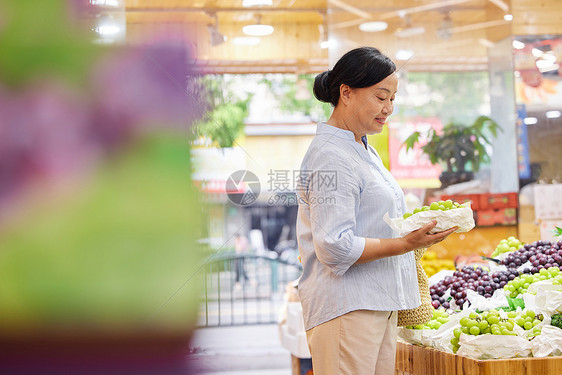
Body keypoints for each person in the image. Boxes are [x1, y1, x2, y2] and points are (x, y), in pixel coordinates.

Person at [296, 46, 457, 375]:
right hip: (347, 308)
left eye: (393, 99)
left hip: (375, 304)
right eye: (381, 97)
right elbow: (334, 245)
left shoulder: (362, 149)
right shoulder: (331, 155)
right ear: (346, 93)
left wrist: (417, 233)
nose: (388, 109)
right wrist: (406, 244)